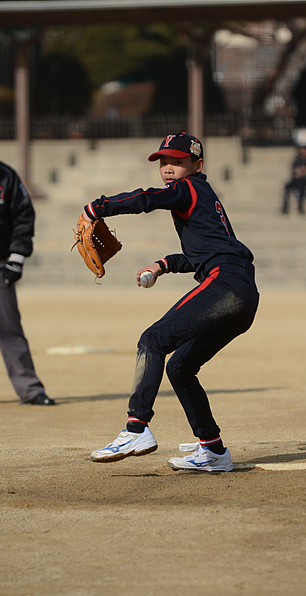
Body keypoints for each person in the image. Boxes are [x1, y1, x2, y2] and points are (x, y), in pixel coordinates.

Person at [82, 132, 259, 472]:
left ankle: (136, 429)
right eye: (164, 162)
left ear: (197, 165)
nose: (168, 168)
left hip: (225, 283)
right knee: (180, 367)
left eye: (177, 162)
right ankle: (214, 451)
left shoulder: (189, 188)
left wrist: (97, 208)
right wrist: (164, 264)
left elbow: (147, 200)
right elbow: (204, 254)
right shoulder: (203, 197)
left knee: (153, 339)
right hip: (243, 292)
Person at [0, 125, 54, 406]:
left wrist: (17, 257)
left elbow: (23, 217)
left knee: (11, 331)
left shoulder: (4, 175)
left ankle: (30, 389)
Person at [281, 142, 306, 214]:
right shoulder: (297, 159)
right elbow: (293, 170)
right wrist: (297, 172)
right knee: (287, 186)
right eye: (301, 149)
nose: (303, 151)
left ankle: (300, 205)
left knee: (302, 184)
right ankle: (285, 207)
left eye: (304, 149)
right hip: (297, 179)